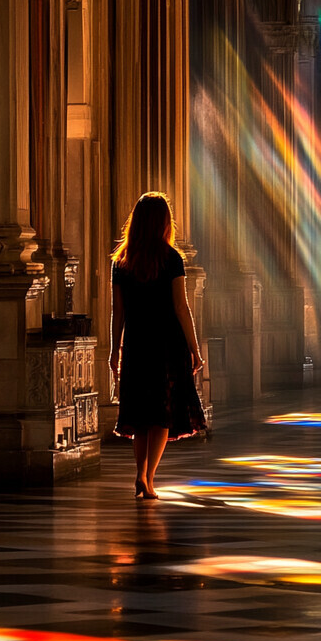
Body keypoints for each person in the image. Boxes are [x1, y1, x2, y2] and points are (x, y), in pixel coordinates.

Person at [109, 192, 206, 499]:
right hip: (168, 345)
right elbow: (181, 308)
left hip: (137, 344)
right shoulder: (172, 259)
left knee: (139, 413)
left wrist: (115, 350)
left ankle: (139, 473)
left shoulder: (121, 262)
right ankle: (149, 477)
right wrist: (195, 349)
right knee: (162, 414)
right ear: (165, 223)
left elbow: (118, 312)